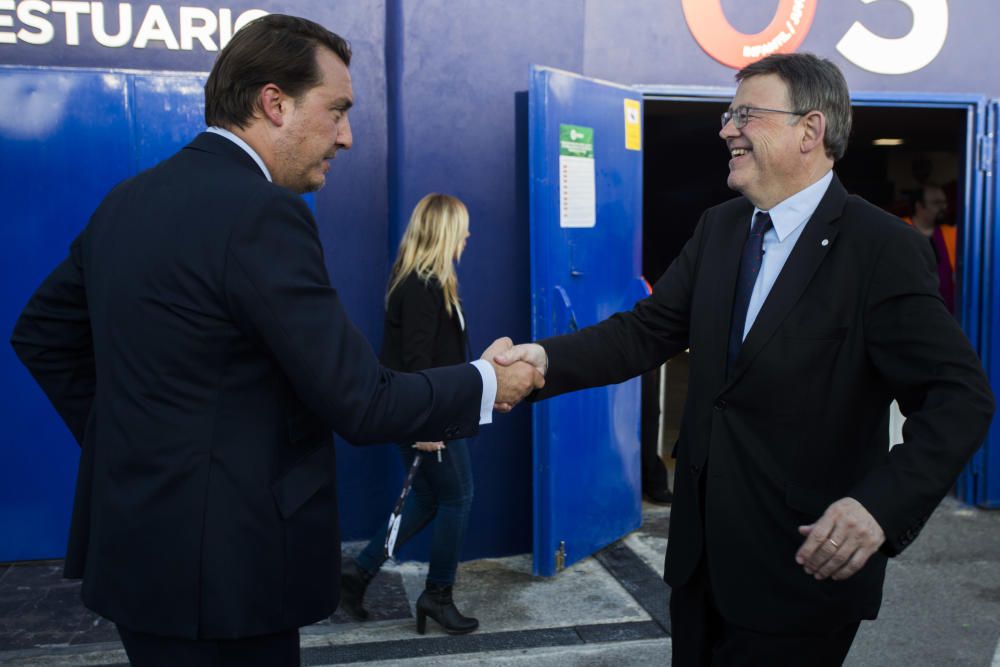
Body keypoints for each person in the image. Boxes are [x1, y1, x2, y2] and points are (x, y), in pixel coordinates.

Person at [9, 15, 542, 667]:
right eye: (338, 111)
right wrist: (490, 380)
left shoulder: (127, 200)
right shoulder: (264, 213)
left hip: (135, 559)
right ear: (274, 102)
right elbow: (361, 400)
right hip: (226, 573)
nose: (346, 137)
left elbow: (42, 334)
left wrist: (128, 441)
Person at [495, 53, 994, 666]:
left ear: (809, 131)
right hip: (699, 563)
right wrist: (540, 360)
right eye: (729, 115)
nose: (726, 129)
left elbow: (959, 397)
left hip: (800, 576)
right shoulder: (720, 228)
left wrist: (880, 508)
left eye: (745, 114)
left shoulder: (881, 248)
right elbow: (644, 332)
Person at [340, 193, 480, 635]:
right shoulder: (420, 286)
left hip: (430, 411)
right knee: (458, 498)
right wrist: (426, 423)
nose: (468, 235)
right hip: (428, 415)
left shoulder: (429, 282)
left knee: (425, 500)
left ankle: (357, 575)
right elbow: (417, 360)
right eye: (462, 227)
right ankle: (438, 595)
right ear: (444, 232)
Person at [903, 183, 957, 313]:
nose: (943, 207)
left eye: (944, 202)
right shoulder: (899, 229)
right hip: (908, 316)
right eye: (936, 203)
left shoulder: (952, 234)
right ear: (919, 206)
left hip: (946, 317)